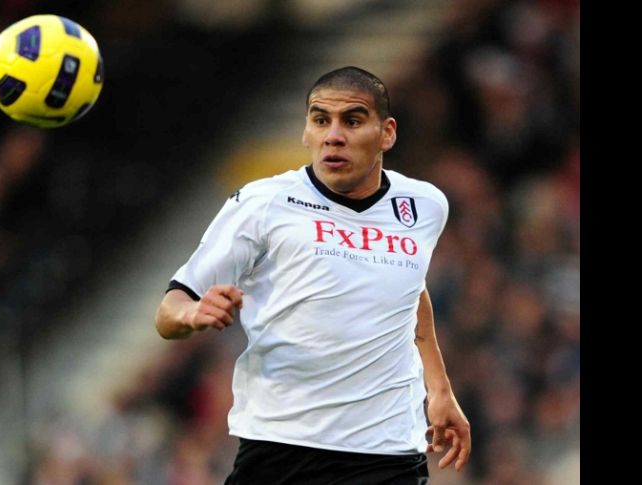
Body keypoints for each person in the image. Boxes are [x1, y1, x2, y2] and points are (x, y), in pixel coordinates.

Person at [155, 66, 471, 484]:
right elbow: (167, 312)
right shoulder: (262, 204)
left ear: (387, 133)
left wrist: (440, 388)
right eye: (320, 120)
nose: (333, 135)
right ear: (305, 132)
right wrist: (194, 314)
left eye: (352, 121)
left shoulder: (424, 205)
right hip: (282, 449)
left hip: (388, 453)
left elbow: (410, 290)